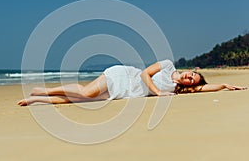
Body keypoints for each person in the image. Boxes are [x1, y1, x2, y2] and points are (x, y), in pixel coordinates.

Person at [17, 59, 247, 106]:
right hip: (123, 76)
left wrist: (225, 86)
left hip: (127, 93)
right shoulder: (167, 65)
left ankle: (38, 99)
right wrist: (157, 93)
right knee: (86, 93)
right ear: (188, 71)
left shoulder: (180, 89)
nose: (189, 79)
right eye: (191, 75)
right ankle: (43, 89)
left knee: (77, 101)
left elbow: (205, 87)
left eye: (192, 81)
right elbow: (144, 74)